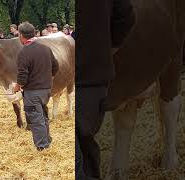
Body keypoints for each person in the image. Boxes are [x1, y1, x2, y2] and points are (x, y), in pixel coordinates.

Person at [77, 0, 135, 180]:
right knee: (85, 145)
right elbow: (125, 15)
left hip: (84, 79)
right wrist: (104, 50)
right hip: (93, 80)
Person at [13, 21, 59, 151]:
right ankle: (47, 139)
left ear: (21, 35)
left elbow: (22, 76)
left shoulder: (23, 52)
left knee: (36, 119)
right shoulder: (46, 48)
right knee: (42, 116)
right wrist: (48, 78)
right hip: (46, 90)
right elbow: (56, 67)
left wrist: (17, 86)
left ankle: (42, 147)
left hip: (33, 92)